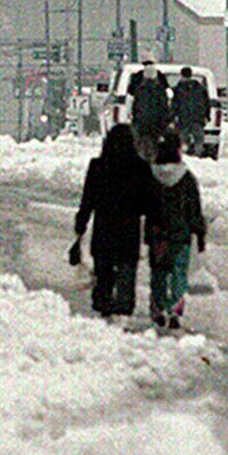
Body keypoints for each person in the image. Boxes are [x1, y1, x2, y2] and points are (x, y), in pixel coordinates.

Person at [73, 124, 158, 320]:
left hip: (104, 228)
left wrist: (82, 222)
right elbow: (150, 203)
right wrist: (152, 229)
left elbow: (88, 199)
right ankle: (124, 307)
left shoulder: (98, 166)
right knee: (127, 269)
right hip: (129, 230)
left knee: (103, 269)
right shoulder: (141, 168)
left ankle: (103, 304)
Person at [146, 132, 206, 330]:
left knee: (159, 270)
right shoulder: (186, 178)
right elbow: (194, 209)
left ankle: (159, 305)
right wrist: (199, 232)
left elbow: (145, 205)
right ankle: (175, 307)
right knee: (179, 270)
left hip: (157, 233)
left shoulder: (151, 175)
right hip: (181, 233)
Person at [127, 61, 170, 160]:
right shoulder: (161, 90)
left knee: (141, 142)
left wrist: (132, 116)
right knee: (155, 142)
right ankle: (153, 157)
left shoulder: (139, 89)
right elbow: (164, 107)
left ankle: (142, 158)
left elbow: (133, 104)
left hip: (141, 121)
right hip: (157, 122)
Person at [170, 66, 208, 156]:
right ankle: (198, 156)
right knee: (198, 140)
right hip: (198, 119)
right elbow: (207, 103)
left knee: (182, 140)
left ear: (182, 75)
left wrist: (172, 117)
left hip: (183, 119)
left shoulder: (178, 89)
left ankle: (184, 156)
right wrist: (206, 116)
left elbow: (175, 105)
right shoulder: (200, 88)